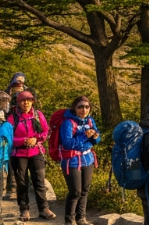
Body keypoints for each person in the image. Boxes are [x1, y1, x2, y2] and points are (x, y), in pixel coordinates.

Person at [8, 89, 53, 221]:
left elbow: (46, 131)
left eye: (29, 100)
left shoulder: (38, 115)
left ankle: (44, 209)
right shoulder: (12, 117)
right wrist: (23, 141)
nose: (26, 103)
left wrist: (36, 139)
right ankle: (24, 210)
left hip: (36, 152)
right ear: (18, 103)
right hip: (18, 154)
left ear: (32, 101)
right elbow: (9, 138)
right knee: (22, 183)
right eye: (23, 101)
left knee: (39, 181)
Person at [60, 96, 100, 225]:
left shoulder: (90, 120)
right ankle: (69, 220)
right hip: (72, 161)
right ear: (74, 108)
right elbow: (67, 143)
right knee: (75, 192)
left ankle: (81, 218)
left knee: (84, 191)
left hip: (88, 159)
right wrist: (84, 136)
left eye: (87, 107)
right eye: (80, 107)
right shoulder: (68, 123)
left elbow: (96, 140)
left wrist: (95, 137)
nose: (84, 109)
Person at [4, 73, 27, 199]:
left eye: (21, 82)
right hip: (10, 129)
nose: (19, 84)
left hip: (25, 129)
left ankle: (21, 188)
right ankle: (12, 188)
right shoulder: (6, 95)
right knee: (12, 158)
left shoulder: (28, 95)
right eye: (17, 82)